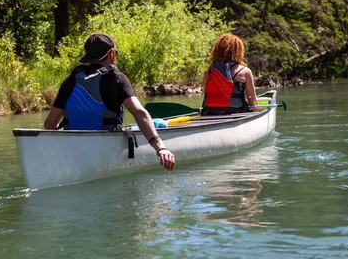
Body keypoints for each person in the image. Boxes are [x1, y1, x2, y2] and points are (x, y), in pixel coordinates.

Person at [44, 32, 175, 171]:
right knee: (158, 123)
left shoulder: (71, 79)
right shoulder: (117, 78)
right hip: (107, 146)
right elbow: (139, 113)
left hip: (72, 149)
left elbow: (50, 124)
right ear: (111, 53)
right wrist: (161, 148)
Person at [202, 33, 258, 115]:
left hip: (210, 114)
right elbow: (253, 103)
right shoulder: (245, 72)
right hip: (235, 113)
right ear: (238, 51)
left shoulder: (209, 72)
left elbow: (208, 94)